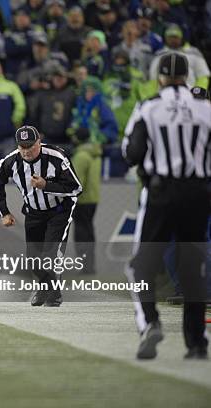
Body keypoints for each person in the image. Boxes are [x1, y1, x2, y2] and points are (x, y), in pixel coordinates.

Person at [121, 53, 211, 360]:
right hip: (199, 193)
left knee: (140, 265)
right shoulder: (206, 108)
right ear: (188, 76)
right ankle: (197, 343)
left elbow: (131, 151)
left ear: (159, 77)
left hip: (161, 192)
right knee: (193, 267)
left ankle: (150, 322)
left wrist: (150, 170)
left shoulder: (149, 107)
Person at [0, 125, 82, 307]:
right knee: (33, 259)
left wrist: (47, 185)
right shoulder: (12, 161)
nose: (27, 150)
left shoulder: (56, 157)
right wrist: (4, 212)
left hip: (59, 211)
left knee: (50, 254)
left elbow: (76, 188)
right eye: (22, 146)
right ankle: (44, 287)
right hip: (33, 212)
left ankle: (54, 294)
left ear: (39, 142)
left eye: (31, 145)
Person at [69, 128, 101, 275]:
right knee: (89, 232)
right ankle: (90, 265)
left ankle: (85, 266)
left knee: (81, 234)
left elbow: (76, 182)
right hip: (93, 198)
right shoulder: (95, 154)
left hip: (81, 200)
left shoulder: (81, 156)